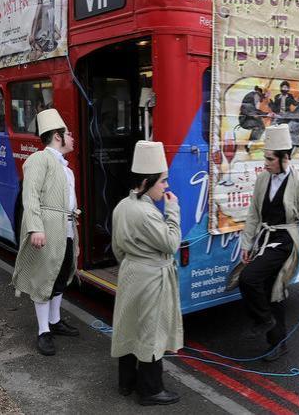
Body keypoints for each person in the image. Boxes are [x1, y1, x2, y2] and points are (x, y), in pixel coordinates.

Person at [237, 124, 299, 362]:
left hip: (285, 240)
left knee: (248, 278)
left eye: (269, 158)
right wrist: (246, 244)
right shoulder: (263, 179)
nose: (265, 162)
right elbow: (253, 214)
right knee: (274, 290)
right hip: (266, 237)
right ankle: (277, 343)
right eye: (264, 157)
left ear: (285, 158)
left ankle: (263, 320)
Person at [111, 141, 183, 406]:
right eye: (162, 181)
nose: (166, 186)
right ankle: (151, 390)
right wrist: (174, 212)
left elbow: (117, 248)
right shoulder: (148, 213)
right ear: (147, 180)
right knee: (151, 330)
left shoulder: (121, 206)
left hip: (131, 271)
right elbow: (171, 244)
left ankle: (126, 382)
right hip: (153, 274)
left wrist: (132, 262)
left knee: (129, 324)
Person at [12, 109, 80, 356]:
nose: (72, 138)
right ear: (57, 136)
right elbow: (30, 196)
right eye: (68, 134)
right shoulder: (40, 159)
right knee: (44, 278)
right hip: (48, 228)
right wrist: (35, 228)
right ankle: (43, 331)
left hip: (67, 227)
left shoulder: (66, 168)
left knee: (60, 274)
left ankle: (55, 320)